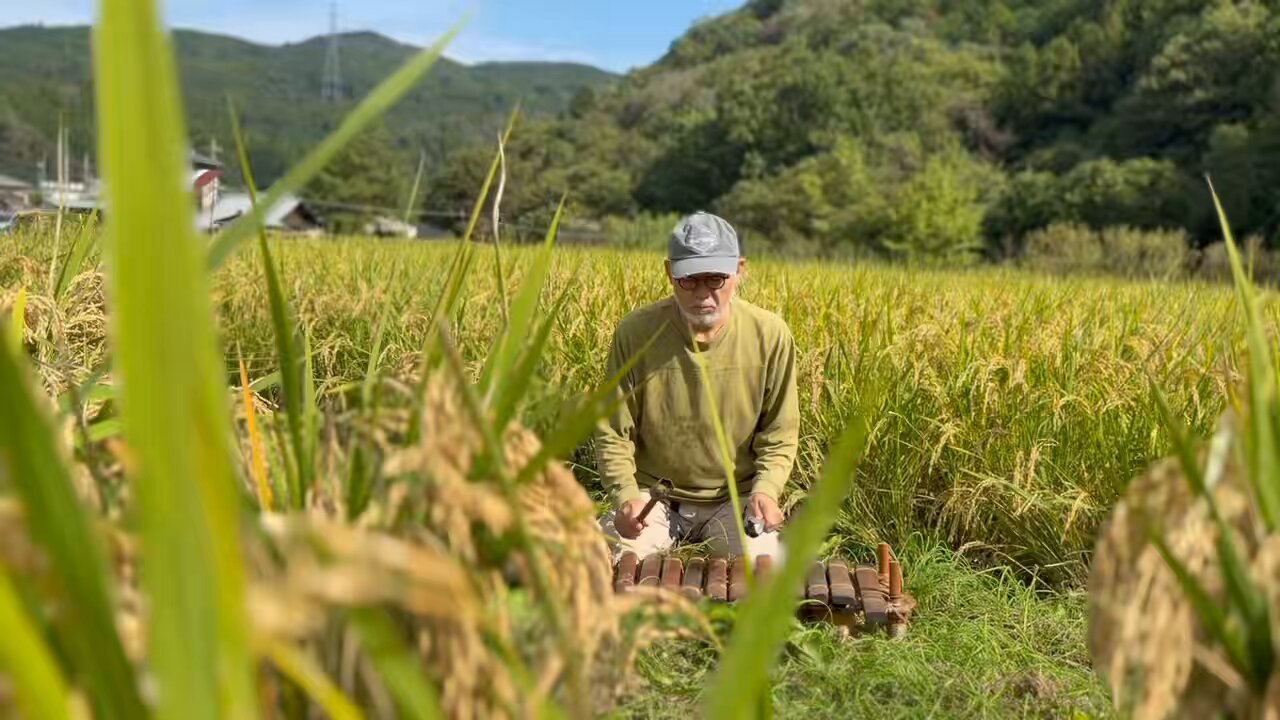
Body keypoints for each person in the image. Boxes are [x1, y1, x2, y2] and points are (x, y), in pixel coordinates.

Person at [593, 211, 800, 563]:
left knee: (763, 569)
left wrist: (766, 490)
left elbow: (780, 433)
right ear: (669, 273)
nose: (703, 294)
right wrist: (627, 496)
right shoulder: (636, 333)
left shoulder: (770, 335)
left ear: (740, 271)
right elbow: (613, 430)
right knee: (613, 563)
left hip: (735, 499)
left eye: (716, 279)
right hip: (654, 498)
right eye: (689, 280)